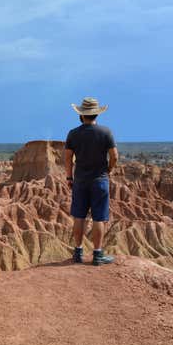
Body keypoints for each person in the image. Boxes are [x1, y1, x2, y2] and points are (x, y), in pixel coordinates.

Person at [65, 97, 118, 266]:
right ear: (97, 114)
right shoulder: (105, 132)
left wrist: (69, 177)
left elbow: (67, 159)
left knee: (79, 217)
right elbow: (115, 156)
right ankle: (97, 255)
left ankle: (78, 253)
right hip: (99, 181)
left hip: (80, 180)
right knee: (98, 219)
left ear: (81, 115)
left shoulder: (73, 134)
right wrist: (109, 169)